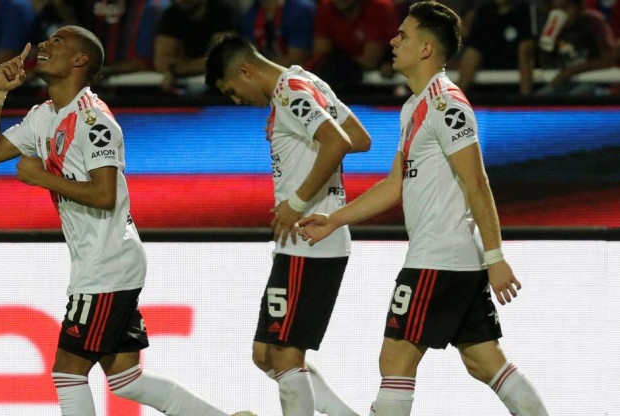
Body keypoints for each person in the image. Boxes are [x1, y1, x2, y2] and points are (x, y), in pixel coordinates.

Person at [0, 25, 254, 416]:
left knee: (68, 372)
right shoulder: (43, 116)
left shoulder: (94, 123)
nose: (43, 45)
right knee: (126, 379)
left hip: (106, 263)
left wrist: (40, 177)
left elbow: (105, 195)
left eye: (57, 42)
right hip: (103, 259)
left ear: (79, 60)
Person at [298, 3, 550, 415]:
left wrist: (496, 256)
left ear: (427, 48)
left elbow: (477, 182)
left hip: (438, 258)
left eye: (404, 36)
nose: (393, 41)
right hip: (447, 258)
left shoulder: (447, 104)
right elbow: (396, 184)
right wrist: (334, 219)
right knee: (484, 361)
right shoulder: (413, 106)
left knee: (395, 358)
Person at [206, 34, 372, 416]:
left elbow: (340, 142)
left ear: (246, 70)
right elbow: (360, 139)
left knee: (283, 354)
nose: (236, 101)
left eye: (232, 91)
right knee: (265, 354)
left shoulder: (289, 93)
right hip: (302, 241)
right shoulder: (306, 81)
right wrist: (295, 127)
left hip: (308, 237)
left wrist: (295, 203)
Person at [456, 0, 540, 94]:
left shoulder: (526, 10)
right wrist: (456, 99)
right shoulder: (484, 12)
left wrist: (525, 102)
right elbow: (472, 54)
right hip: (491, 90)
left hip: (518, 91)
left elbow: (526, 54)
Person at [155, 0, 240, 92]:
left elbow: (220, 61)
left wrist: (176, 70)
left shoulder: (222, 12)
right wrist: (197, 65)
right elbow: (161, 63)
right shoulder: (171, 14)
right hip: (183, 89)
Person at [536, 0, 615, 96]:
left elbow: (608, 60)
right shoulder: (554, 26)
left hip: (595, 81)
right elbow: (546, 65)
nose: (563, 13)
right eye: (557, 9)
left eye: (566, 8)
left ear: (579, 7)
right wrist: (548, 41)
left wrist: (573, 70)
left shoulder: (593, 22)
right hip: (567, 83)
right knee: (540, 97)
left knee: (575, 97)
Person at [240, 0, 316, 67]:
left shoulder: (300, 8)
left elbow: (297, 59)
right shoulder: (251, 13)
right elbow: (249, 55)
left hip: (297, 75)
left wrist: (259, 70)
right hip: (264, 71)